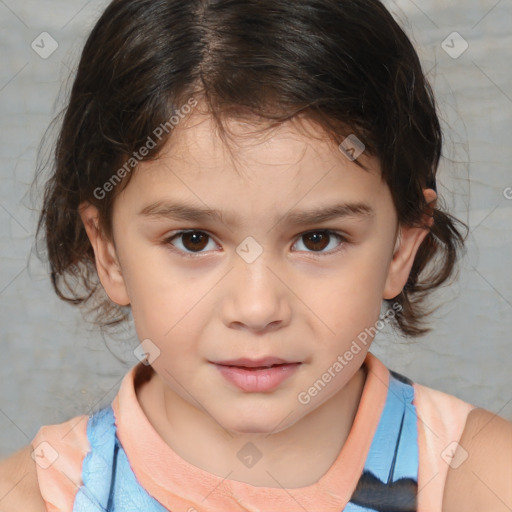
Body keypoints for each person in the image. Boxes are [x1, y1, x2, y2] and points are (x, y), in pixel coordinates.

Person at [1, 0, 511, 510]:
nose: (257, 308)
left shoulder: (482, 480)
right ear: (108, 252)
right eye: (193, 240)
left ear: (402, 245)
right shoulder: (31, 498)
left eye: (317, 239)